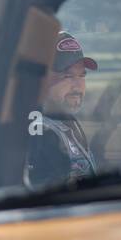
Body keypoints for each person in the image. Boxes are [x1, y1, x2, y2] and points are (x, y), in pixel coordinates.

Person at [24, 31, 99, 187]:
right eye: (68, 76)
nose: (78, 86)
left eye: (82, 76)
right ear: (42, 79)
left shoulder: (64, 119)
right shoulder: (41, 131)